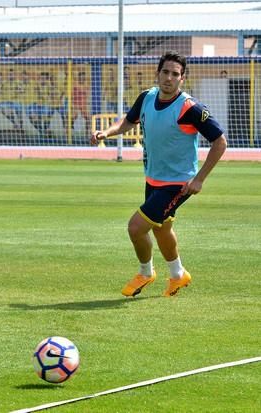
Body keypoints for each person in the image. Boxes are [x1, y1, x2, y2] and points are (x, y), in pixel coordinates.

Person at [91, 51, 227, 298]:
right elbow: (128, 122)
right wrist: (106, 133)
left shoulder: (190, 108)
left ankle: (146, 272)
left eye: (175, 74)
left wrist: (199, 179)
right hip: (153, 179)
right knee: (162, 229)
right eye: (165, 72)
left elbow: (220, 141)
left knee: (136, 227)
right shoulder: (146, 97)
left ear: (182, 79)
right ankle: (178, 275)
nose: (169, 78)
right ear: (158, 73)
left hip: (178, 184)